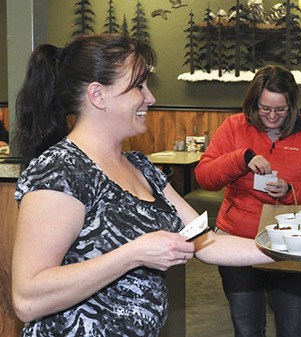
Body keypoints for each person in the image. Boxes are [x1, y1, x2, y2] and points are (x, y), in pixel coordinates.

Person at [11, 34, 274, 337]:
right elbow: (27, 298)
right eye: (138, 86)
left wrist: (286, 249)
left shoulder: (140, 166)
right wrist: (133, 254)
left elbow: (207, 242)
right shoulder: (60, 171)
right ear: (98, 95)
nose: (150, 98)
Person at [194, 65, 301, 337]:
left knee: (292, 328)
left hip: (289, 245)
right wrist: (241, 159)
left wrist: (291, 190)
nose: (271, 116)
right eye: (264, 108)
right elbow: (205, 178)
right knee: (246, 329)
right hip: (238, 240)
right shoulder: (233, 127)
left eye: (280, 110)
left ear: (292, 105)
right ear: (253, 103)